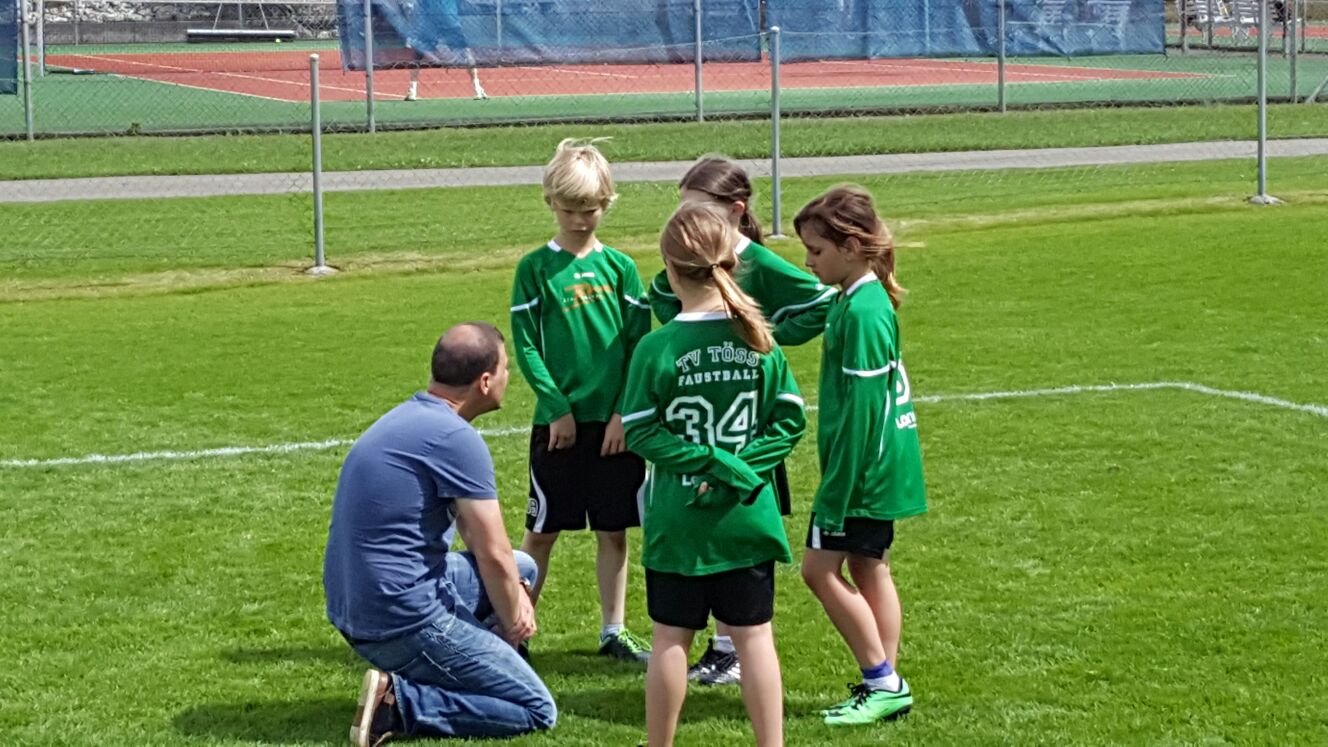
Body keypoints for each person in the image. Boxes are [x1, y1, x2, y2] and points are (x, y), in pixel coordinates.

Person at [621, 201, 805, 747]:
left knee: (670, 639)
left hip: (679, 519)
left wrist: (709, 462)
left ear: (669, 268)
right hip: (746, 516)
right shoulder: (759, 339)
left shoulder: (657, 347)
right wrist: (736, 468)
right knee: (755, 639)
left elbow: (641, 432)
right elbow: (789, 422)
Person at [647, 155, 836, 686]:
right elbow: (659, 296)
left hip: (743, 434)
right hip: (704, 412)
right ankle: (725, 647)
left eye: (698, 209)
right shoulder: (688, 263)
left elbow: (824, 299)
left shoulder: (756, 261)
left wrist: (767, 334)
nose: (687, 220)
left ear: (735, 210)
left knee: (734, 530)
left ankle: (728, 648)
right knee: (714, 535)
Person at [323, 322, 556, 746]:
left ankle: (481, 670)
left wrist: (514, 589)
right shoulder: (456, 439)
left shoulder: (408, 417)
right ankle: (400, 704)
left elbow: (487, 545)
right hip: (398, 620)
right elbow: (492, 554)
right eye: (506, 369)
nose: (509, 377)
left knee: (524, 567)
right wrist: (513, 619)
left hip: (358, 604)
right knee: (537, 708)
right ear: (484, 382)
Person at [510, 138, 653, 662]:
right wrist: (556, 408)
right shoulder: (534, 269)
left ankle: (614, 631)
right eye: (569, 208)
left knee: (614, 531)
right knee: (541, 533)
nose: (579, 219)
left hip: (613, 428)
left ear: (606, 204)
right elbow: (526, 344)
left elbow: (638, 345)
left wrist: (622, 413)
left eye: (589, 209)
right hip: (559, 428)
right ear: (550, 202)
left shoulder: (621, 269)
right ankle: (515, 632)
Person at [794, 186, 927, 726]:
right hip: (876, 471)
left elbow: (864, 415)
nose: (808, 262)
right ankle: (884, 685)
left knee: (817, 571)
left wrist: (838, 489)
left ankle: (883, 681)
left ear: (850, 248)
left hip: (863, 475)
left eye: (816, 251)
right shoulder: (853, 299)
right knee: (869, 568)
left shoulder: (865, 311)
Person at [403, 0, 487, 100]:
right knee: (465, 52)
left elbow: (418, 9)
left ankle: (412, 91)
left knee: (417, 55)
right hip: (445, 22)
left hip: (436, 23)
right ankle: (478, 89)